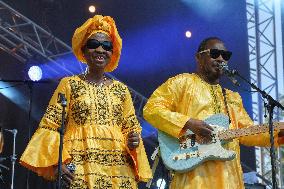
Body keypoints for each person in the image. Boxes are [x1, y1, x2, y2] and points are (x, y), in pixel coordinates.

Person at [20, 15, 152, 189]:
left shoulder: (122, 90)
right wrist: (58, 163)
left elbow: (131, 129)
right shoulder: (69, 84)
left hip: (118, 171)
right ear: (83, 50)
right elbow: (50, 126)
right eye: (93, 44)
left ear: (112, 53)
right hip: (79, 167)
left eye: (106, 46)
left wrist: (133, 139)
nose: (100, 49)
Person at [143, 37, 284, 189]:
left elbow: (247, 132)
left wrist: (278, 134)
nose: (221, 58)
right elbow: (152, 109)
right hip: (194, 176)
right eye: (215, 53)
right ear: (199, 57)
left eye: (225, 55)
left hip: (230, 178)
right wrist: (188, 123)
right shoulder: (182, 83)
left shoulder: (232, 98)